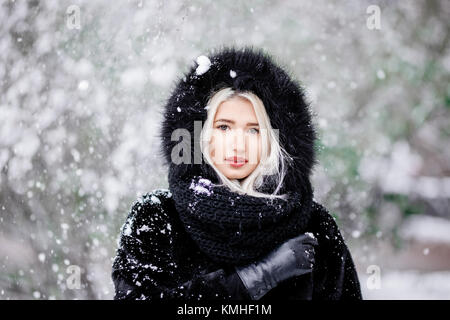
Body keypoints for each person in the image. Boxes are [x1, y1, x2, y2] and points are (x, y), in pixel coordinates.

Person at [111, 46, 363, 300]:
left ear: (274, 141)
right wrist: (258, 277)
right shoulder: (157, 217)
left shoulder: (315, 226)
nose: (238, 144)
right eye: (224, 127)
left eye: (254, 130)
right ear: (200, 134)